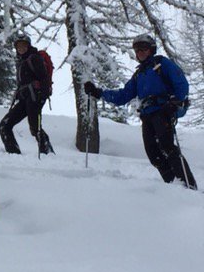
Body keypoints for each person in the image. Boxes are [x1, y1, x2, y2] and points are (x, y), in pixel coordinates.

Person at [84, 34, 197, 189]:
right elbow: (123, 95)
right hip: (147, 115)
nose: (140, 52)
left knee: (167, 146)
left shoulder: (161, 64)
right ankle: (173, 186)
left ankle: (188, 186)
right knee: (153, 154)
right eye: (137, 50)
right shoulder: (138, 75)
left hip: (163, 110)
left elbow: (181, 83)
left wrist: (175, 102)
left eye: (144, 49)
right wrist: (99, 92)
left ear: (151, 50)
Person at [0, 32, 54, 155]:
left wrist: (42, 96)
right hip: (25, 99)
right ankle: (14, 154)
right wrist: (19, 93)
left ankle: (47, 153)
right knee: (4, 125)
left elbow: (44, 78)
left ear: (28, 46)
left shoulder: (34, 58)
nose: (21, 48)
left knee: (35, 128)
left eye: (23, 46)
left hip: (35, 98)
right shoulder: (21, 61)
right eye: (18, 46)